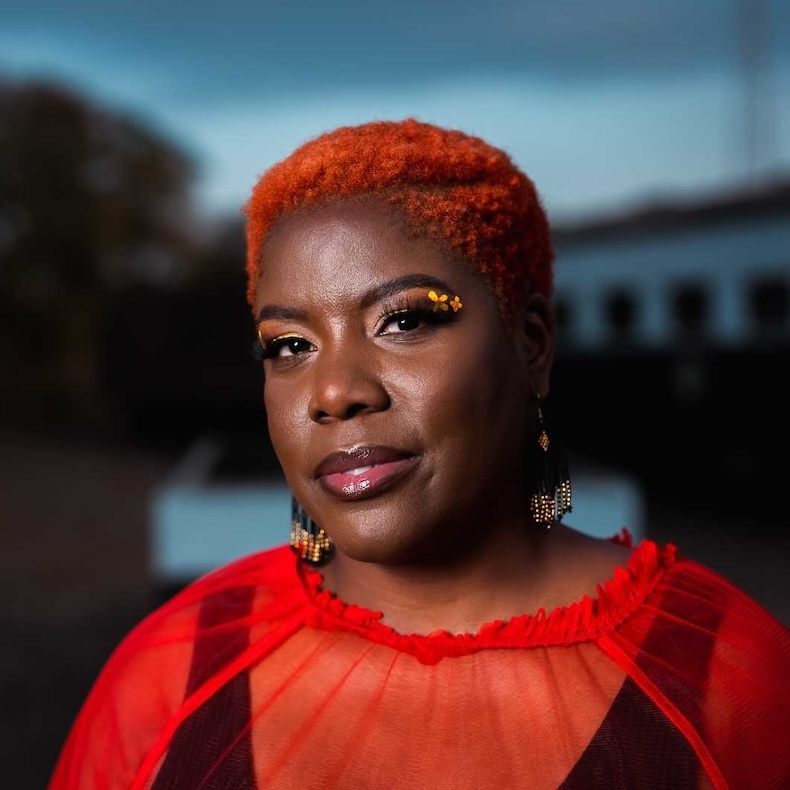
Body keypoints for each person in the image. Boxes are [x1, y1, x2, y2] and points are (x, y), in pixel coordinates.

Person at [49, 118, 790, 790]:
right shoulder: (174, 672)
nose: (334, 391)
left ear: (531, 345)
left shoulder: (727, 685)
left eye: (403, 321)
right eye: (290, 346)